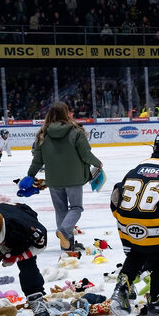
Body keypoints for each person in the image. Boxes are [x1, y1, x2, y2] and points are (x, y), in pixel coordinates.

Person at [108, 130, 159, 316]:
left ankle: (121, 290)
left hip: (127, 223)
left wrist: (122, 222)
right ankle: (156, 306)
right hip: (154, 225)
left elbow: (117, 193)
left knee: (135, 254)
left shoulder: (138, 166)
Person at [27, 101, 103, 252]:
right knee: (76, 208)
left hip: (54, 180)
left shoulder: (43, 133)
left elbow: (37, 160)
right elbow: (86, 154)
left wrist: (30, 175)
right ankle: (64, 232)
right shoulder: (75, 131)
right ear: (66, 113)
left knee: (61, 210)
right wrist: (98, 163)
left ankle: (67, 245)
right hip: (74, 178)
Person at [0, 202, 50, 316]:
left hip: (19, 234)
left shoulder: (29, 229)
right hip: (4, 225)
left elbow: (41, 246)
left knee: (28, 265)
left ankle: (35, 297)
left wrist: (18, 256)